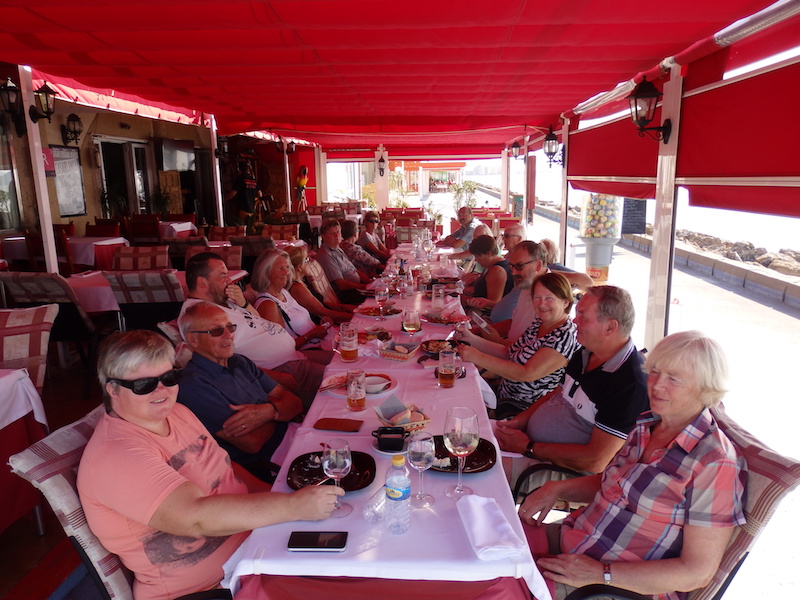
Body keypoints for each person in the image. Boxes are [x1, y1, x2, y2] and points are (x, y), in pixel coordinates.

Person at [77, 330, 341, 600]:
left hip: (256, 546)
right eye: (144, 385)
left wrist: (281, 499)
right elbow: (195, 518)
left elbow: (228, 470)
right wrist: (292, 506)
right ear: (112, 389)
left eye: (169, 378)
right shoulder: (116, 454)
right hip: (209, 589)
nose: (162, 391)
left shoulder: (177, 413)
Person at [519, 331, 747, 600]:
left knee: (495, 585)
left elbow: (696, 573)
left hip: (605, 587)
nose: (657, 385)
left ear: (706, 389)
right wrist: (557, 488)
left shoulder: (715, 463)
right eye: (655, 371)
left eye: (674, 378)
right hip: (573, 541)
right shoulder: (648, 424)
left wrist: (600, 573)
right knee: (486, 545)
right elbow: (614, 483)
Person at [494, 285, 649, 481]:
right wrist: (519, 421)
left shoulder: (630, 383)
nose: (574, 321)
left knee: (480, 466)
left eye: (583, 316)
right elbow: (557, 394)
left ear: (610, 327)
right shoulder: (585, 352)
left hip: (568, 471)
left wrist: (528, 447)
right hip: (532, 447)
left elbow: (595, 461)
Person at [178, 302, 304, 482]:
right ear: (193, 340)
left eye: (230, 327)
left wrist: (269, 411)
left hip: (296, 435)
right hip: (275, 462)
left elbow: (296, 403)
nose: (229, 335)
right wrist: (280, 410)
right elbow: (253, 442)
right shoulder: (194, 386)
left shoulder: (239, 362)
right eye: (217, 331)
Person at [182, 251, 325, 408]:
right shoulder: (201, 316)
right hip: (281, 368)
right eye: (223, 276)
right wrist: (273, 378)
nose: (229, 280)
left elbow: (259, 320)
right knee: (342, 379)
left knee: (343, 363)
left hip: (294, 356)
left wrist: (243, 303)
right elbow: (224, 361)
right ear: (202, 282)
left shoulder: (223, 301)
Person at [458, 272, 579, 419]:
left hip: (524, 408)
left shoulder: (564, 336)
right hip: (503, 393)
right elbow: (508, 352)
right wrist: (471, 339)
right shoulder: (539, 323)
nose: (541, 304)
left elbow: (526, 374)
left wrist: (477, 357)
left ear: (565, 302)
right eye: (537, 297)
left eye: (549, 298)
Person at [250, 247, 332, 361]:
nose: (286, 273)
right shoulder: (268, 304)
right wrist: (311, 335)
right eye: (280, 268)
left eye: (287, 267)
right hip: (302, 355)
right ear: (266, 272)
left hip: (318, 344)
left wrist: (320, 326)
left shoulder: (284, 293)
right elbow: (280, 348)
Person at [285, 244, 355, 323]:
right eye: (306, 260)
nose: (310, 262)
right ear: (299, 267)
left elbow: (322, 304)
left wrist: (344, 307)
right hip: (321, 324)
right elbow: (323, 312)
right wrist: (355, 317)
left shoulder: (302, 281)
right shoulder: (297, 288)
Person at [314, 218, 371, 304]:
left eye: (338, 232)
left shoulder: (337, 248)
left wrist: (370, 282)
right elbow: (341, 285)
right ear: (323, 236)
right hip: (346, 295)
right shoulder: (326, 255)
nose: (337, 235)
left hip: (357, 289)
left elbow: (354, 270)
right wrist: (366, 287)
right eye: (332, 233)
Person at [461, 234, 514, 312]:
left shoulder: (497, 271)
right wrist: (475, 289)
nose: (476, 260)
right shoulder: (494, 265)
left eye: (478, 257)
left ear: (489, 253)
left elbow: (492, 305)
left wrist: (467, 300)